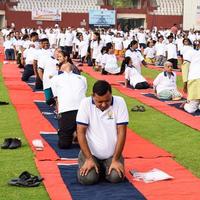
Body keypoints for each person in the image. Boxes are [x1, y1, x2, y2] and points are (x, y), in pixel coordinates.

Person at [76, 80, 129, 185]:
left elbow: (122, 132)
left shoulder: (120, 102)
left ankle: (103, 167)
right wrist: (89, 158)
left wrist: (116, 159)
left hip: (112, 154)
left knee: (116, 177)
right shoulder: (85, 103)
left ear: (111, 95)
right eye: (99, 102)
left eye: (107, 101)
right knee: (88, 179)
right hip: (91, 154)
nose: (104, 104)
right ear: (93, 96)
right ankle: (90, 164)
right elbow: (80, 132)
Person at [51, 62, 87, 149]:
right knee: (68, 143)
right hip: (82, 111)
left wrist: (58, 113)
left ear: (61, 70)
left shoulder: (55, 79)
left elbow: (56, 98)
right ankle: (76, 133)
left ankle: (75, 134)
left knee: (64, 145)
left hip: (69, 111)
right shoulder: (82, 78)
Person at [182, 49, 200, 113]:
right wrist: (185, 83)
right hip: (195, 79)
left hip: (195, 79)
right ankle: (186, 104)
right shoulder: (191, 52)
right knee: (191, 109)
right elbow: (185, 67)